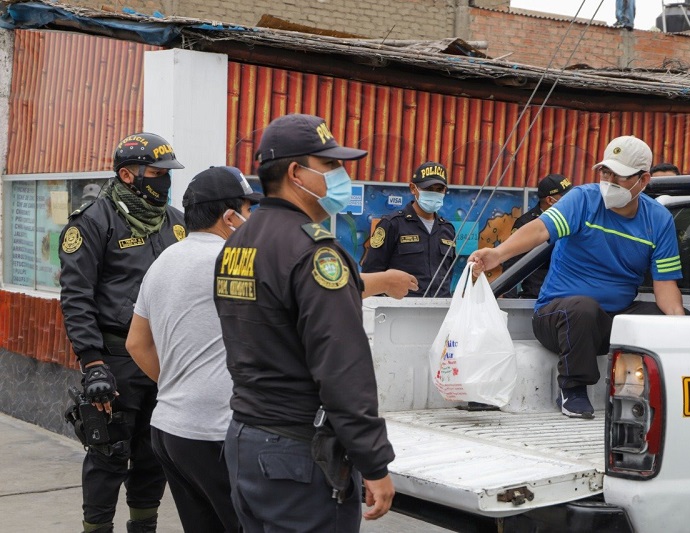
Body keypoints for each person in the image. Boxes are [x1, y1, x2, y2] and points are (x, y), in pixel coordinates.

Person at [214, 113, 395, 531]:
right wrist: (373, 460)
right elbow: (343, 368)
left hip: (245, 439)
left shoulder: (238, 241)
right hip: (298, 453)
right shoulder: (315, 253)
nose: (341, 175)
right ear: (296, 173)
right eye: (330, 165)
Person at [469, 136, 686, 419]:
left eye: (619, 176)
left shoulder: (658, 219)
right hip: (557, 317)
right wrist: (498, 255)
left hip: (610, 322)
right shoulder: (583, 199)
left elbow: (666, 287)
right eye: (605, 172)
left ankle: (658, 391)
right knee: (582, 309)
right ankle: (573, 388)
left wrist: (681, 328)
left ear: (643, 180)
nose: (609, 181)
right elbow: (539, 230)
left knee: (669, 319)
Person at [58, 132, 186, 533]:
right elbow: (77, 298)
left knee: (154, 454)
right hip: (114, 360)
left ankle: (143, 527)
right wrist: (93, 363)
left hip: (164, 360)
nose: (164, 181)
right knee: (108, 453)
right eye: (156, 173)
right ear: (128, 175)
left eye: (167, 173)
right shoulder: (93, 222)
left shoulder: (177, 223)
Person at [125, 166, 263, 533]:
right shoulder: (231, 259)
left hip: (169, 429)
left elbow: (136, 343)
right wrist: (385, 281)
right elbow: (314, 286)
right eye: (249, 211)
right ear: (229, 216)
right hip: (214, 431)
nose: (253, 220)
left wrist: (177, 383)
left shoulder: (164, 261)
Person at [361, 161, 456, 297]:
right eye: (428, 189)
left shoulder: (447, 229)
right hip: (400, 312)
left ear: (445, 191)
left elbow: (447, 275)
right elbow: (371, 274)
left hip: (441, 311)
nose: (434, 194)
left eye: (439, 189)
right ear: (413, 188)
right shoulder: (392, 224)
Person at [503, 173, 573, 298]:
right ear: (550, 200)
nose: (572, 200)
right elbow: (511, 263)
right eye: (566, 197)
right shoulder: (526, 223)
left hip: (568, 293)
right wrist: (510, 303)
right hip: (537, 295)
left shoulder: (573, 219)